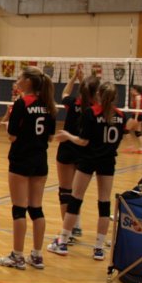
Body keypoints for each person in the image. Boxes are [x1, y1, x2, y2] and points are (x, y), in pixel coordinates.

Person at [49, 81, 136, 260]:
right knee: (104, 203)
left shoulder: (91, 113)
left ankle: (62, 242)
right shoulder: (121, 115)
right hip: (108, 162)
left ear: (98, 95)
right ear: (115, 97)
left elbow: (83, 141)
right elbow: (123, 134)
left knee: (75, 199)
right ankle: (98, 248)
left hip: (88, 160)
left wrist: (67, 136)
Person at [0, 67, 56, 270]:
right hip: (40, 161)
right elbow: (50, 137)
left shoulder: (21, 104)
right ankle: (37, 256)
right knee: (36, 208)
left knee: (19, 209)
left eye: (20, 77)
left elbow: (12, 137)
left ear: (28, 81)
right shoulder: (48, 105)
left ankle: (17, 256)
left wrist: (9, 128)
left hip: (21, 160)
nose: (17, 79)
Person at [56, 67, 94, 242]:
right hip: (85, 150)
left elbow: (64, 93)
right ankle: (76, 226)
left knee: (65, 191)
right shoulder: (95, 109)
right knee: (77, 192)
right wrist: (83, 80)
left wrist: (73, 78)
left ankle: (68, 233)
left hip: (67, 148)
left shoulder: (73, 103)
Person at [126, 85, 142, 152]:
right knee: (138, 132)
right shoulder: (139, 96)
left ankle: (131, 146)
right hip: (140, 115)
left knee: (125, 130)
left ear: (135, 90)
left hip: (136, 115)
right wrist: (132, 97)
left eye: (131, 90)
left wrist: (135, 119)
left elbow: (137, 108)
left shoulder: (138, 97)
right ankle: (141, 148)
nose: (130, 91)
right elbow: (132, 106)